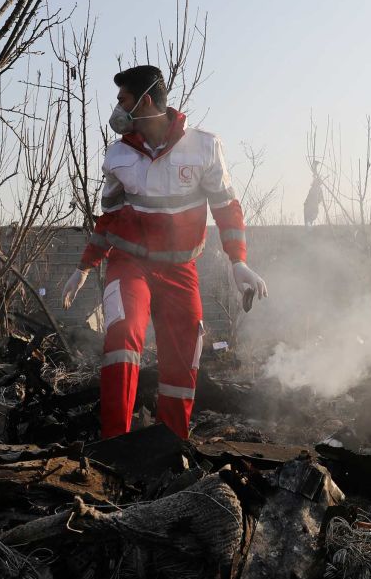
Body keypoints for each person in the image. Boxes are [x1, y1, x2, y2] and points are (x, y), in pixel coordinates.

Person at [62, 65, 267, 439]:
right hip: (130, 264)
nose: (117, 110)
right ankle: (115, 446)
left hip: (179, 269)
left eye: (123, 100)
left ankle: (171, 446)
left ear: (147, 101)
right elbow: (108, 219)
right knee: (123, 336)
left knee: (185, 351)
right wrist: (85, 267)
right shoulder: (117, 157)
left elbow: (226, 207)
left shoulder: (204, 147)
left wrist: (238, 261)